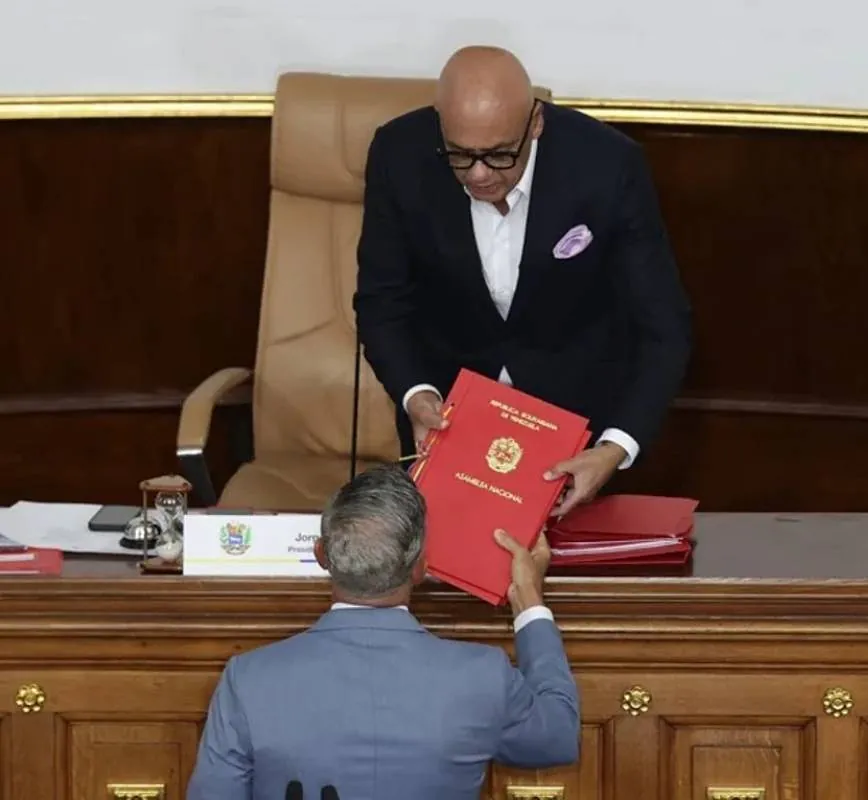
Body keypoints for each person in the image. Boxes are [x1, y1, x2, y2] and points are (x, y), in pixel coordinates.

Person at [354, 46, 692, 517]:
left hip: (581, 428)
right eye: (459, 155)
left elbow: (664, 327)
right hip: (449, 424)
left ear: (535, 124)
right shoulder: (399, 154)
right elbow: (381, 301)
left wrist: (616, 446)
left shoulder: (607, 165)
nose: (478, 175)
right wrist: (416, 394)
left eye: (498, 155)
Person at [186, 463, 579, 800]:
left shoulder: (248, 679)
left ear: (321, 555)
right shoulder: (483, 675)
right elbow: (558, 735)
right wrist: (528, 597)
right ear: (420, 566)